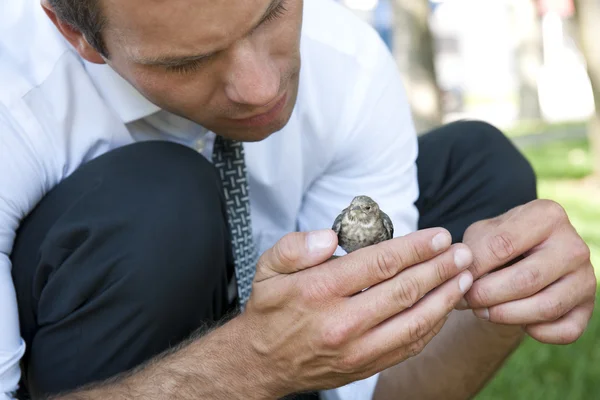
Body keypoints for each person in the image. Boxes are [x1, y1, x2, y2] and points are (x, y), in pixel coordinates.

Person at [0, 0, 595, 399]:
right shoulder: (16, 98)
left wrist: (509, 298)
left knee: (482, 167)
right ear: (75, 33)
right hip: (84, 352)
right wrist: (254, 362)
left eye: (271, 12)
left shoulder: (348, 65)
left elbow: (376, 388)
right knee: (158, 201)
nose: (262, 88)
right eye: (186, 62)